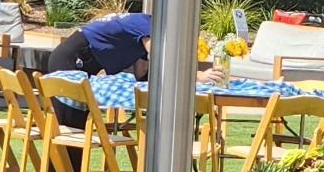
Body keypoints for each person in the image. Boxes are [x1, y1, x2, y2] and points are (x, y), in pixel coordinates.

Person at [46, 11, 221, 129]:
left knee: (74, 128)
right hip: (70, 61)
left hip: (76, 60)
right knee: (70, 129)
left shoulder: (141, 31)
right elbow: (163, 57)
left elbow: (141, 73)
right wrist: (197, 75)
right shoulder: (147, 24)